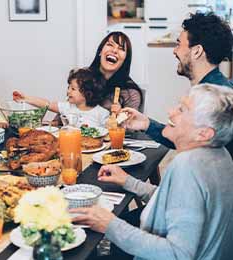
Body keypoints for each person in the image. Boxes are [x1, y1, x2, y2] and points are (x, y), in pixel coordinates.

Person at [71, 84, 233, 259]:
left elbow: (178, 254)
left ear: (203, 134)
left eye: (182, 110)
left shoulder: (187, 165)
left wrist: (108, 225)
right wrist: (128, 181)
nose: (171, 112)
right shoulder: (220, 155)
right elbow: (177, 201)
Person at [122, 12, 233, 157]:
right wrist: (146, 123)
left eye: (179, 44)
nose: (175, 50)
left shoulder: (212, 102)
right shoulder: (212, 89)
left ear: (197, 51)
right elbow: (184, 138)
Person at [13, 68, 110, 127]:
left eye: (73, 89)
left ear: (88, 93)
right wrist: (25, 98)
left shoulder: (101, 113)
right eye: (68, 87)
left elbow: (110, 132)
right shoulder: (67, 107)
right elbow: (47, 104)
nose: (68, 91)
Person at [89, 31, 143, 112]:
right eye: (110, 45)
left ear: (125, 59)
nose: (114, 51)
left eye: (121, 49)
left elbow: (131, 123)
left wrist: (119, 116)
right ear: (100, 51)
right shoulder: (82, 79)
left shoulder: (131, 94)